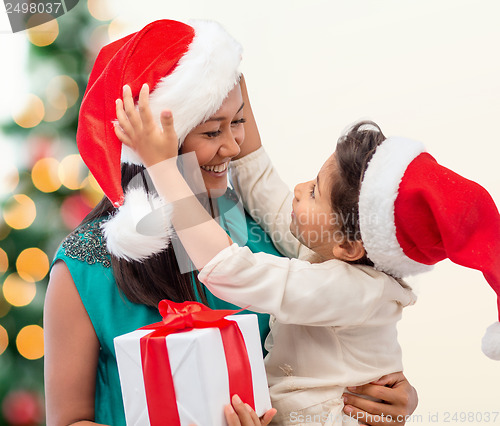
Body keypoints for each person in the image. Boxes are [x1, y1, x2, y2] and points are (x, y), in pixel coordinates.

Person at [44, 19, 419, 426]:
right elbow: (68, 420)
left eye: (238, 121)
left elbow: (330, 353)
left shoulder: (255, 228)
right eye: (212, 131)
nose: (233, 145)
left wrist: (387, 392)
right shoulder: (84, 264)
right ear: (154, 149)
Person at [114, 81, 500, 425]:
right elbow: (261, 182)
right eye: (217, 128)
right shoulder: (337, 254)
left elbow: (232, 270)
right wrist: (228, 69)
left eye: (314, 191)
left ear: (349, 247)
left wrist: (163, 168)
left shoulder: (351, 290)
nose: (298, 188)